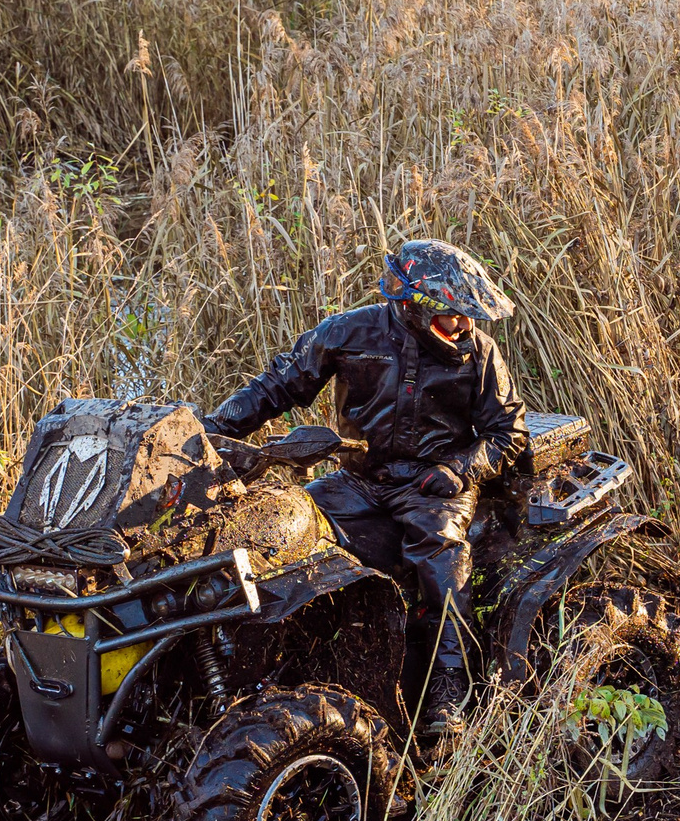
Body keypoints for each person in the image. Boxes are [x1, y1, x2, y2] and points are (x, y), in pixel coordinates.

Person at [203, 239, 527, 745]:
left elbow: (509, 433)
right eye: (451, 316)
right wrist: (210, 436)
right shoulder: (350, 331)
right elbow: (277, 385)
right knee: (280, 533)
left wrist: (460, 467)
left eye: (468, 316)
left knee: (440, 555)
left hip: (431, 486)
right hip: (357, 480)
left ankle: (448, 687)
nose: (464, 326)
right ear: (412, 307)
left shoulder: (481, 352)